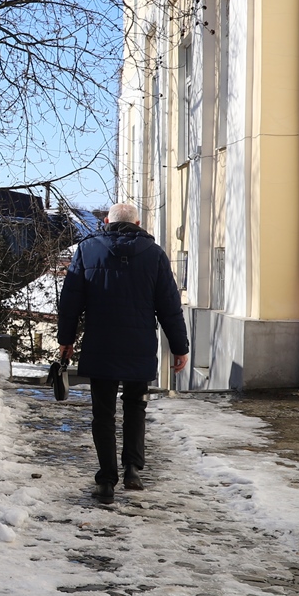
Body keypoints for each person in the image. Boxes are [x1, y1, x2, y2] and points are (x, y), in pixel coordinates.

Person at [55, 202, 189, 505]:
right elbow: (169, 306)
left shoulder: (87, 251)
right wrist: (180, 347)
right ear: (138, 223)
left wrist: (66, 341)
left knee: (103, 414)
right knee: (135, 408)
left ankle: (106, 481)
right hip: (138, 345)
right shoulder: (154, 255)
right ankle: (132, 470)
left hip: (101, 344)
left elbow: (71, 302)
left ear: (106, 221)